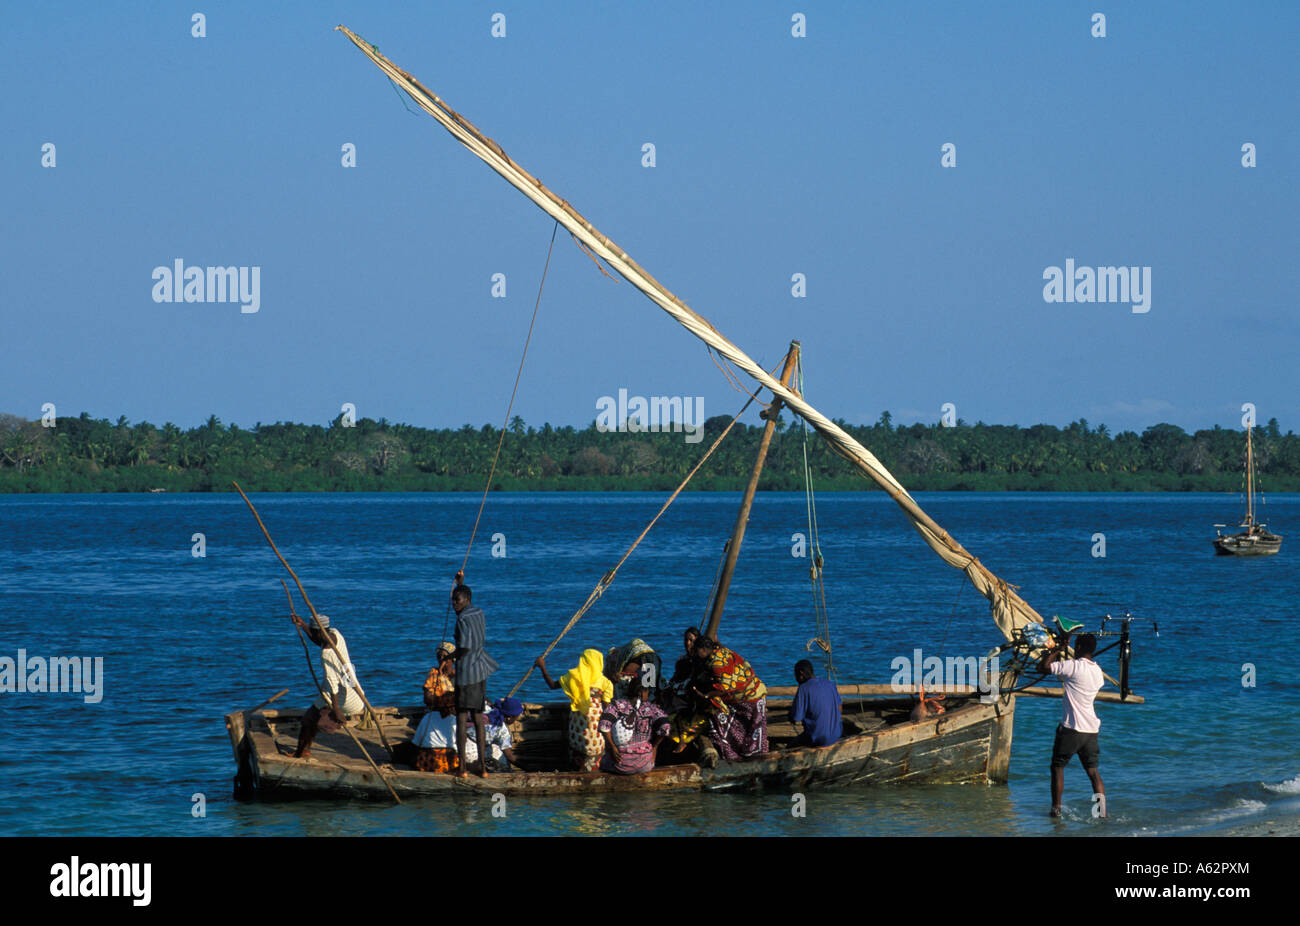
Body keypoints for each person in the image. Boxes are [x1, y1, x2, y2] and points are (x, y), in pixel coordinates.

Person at [1039, 632, 1106, 818]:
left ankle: (1056, 810)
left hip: (1071, 728)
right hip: (1091, 730)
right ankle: (1101, 813)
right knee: (1093, 773)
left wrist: (1058, 649)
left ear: (1078, 648)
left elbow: (1043, 668)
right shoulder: (1097, 672)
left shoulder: (1073, 667)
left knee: (1057, 767)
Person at [677, 635, 768, 761]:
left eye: (697, 650)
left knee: (752, 729)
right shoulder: (722, 651)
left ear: (703, 650)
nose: (696, 654)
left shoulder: (716, 663)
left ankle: (751, 755)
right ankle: (747, 753)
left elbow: (725, 686)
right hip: (752, 694)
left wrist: (707, 695)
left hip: (751, 696)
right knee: (747, 727)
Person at [292, 613, 365, 759]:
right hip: (356, 693)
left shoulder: (327, 653)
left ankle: (302, 753)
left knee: (308, 719)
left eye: (313, 632)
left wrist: (336, 709)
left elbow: (332, 683)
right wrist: (304, 625)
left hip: (344, 697)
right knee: (311, 718)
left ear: (318, 632)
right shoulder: (335, 633)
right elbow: (319, 639)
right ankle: (303, 751)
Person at [535, 650, 613, 771]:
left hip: (578, 720)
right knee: (595, 744)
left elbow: (552, 685)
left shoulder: (574, 675)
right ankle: (595, 770)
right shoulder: (605, 682)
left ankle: (577, 768)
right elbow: (607, 708)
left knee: (578, 743)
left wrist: (542, 667)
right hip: (596, 721)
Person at [451, 582, 499, 779]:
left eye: (457, 600)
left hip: (466, 672)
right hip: (481, 669)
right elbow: (465, 594)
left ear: (466, 600)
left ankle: (462, 768)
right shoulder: (478, 611)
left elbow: (464, 648)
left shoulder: (462, 618)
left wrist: (449, 657)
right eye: (453, 600)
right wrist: (460, 583)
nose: (454, 603)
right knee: (478, 717)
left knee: (462, 718)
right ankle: (483, 768)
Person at [599, 677, 671, 774]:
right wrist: (654, 746)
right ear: (642, 693)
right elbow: (665, 727)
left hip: (620, 764)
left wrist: (613, 747)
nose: (648, 693)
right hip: (645, 765)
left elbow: (604, 725)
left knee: (604, 761)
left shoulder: (617, 705)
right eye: (647, 691)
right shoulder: (651, 709)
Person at [464, 697, 526, 772]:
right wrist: (527, 768)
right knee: (504, 767)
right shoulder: (502, 729)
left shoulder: (489, 710)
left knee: (496, 749)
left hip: (464, 744)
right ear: (509, 717)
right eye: (516, 717)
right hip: (474, 752)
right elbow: (509, 756)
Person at [790, 659, 841, 747]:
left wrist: (790, 716)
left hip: (818, 738)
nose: (796, 679)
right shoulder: (829, 683)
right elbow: (839, 708)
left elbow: (796, 717)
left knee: (791, 746)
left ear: (801, 674)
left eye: (796, 675)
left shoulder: (803, 688)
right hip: (836, 735)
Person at [411, 701, 460, 773]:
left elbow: (416, 741)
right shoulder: (455, 720)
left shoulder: (428, 716)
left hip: (428, 762)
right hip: (449, 762)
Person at [422, 641, 456, 715]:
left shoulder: (459, 675)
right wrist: (445, 701)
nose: (441, 659)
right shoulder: (434, 673)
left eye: (445, 657)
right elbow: (427, 698)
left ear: (453, 659)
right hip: (438, 712)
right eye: (439, 656)